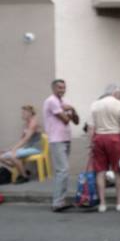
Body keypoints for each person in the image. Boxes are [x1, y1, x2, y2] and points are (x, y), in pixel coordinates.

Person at [89, 84, 120, 212]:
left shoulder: (95, 104)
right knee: (118, 171)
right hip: (116, 139)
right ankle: (119, 202)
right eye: (119, 94)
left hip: (98, 138)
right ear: (115, 93)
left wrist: (91, 142)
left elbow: (91, 127)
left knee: (100, 172)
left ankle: (102, 203)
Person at [43, 79, 79, 212]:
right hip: (56, 139)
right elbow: (64, 120)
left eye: (63, 87)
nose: (62, 90)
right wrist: (68, 112)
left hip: (65, 139)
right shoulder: (51, 101)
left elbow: (76, 121)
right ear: (53, 88)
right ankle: (57, 202)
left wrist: (72, 109)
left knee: (62, 171)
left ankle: (61, 200)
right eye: (59, 87)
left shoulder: (64, 102)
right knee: (62, 170)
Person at [0, 105, 42, 183]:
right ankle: (21, 169)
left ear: (30, 113)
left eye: (24, 112)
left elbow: (26, 138)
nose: (22, 114)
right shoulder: (25, 124)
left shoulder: (34, 123)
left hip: (36, 148)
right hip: (27, 147)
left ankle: (24, 177)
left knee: (13, 155)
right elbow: (22, 139)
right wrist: (10, 149)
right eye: (22, 112)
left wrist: (14, 149)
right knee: (1, 156)